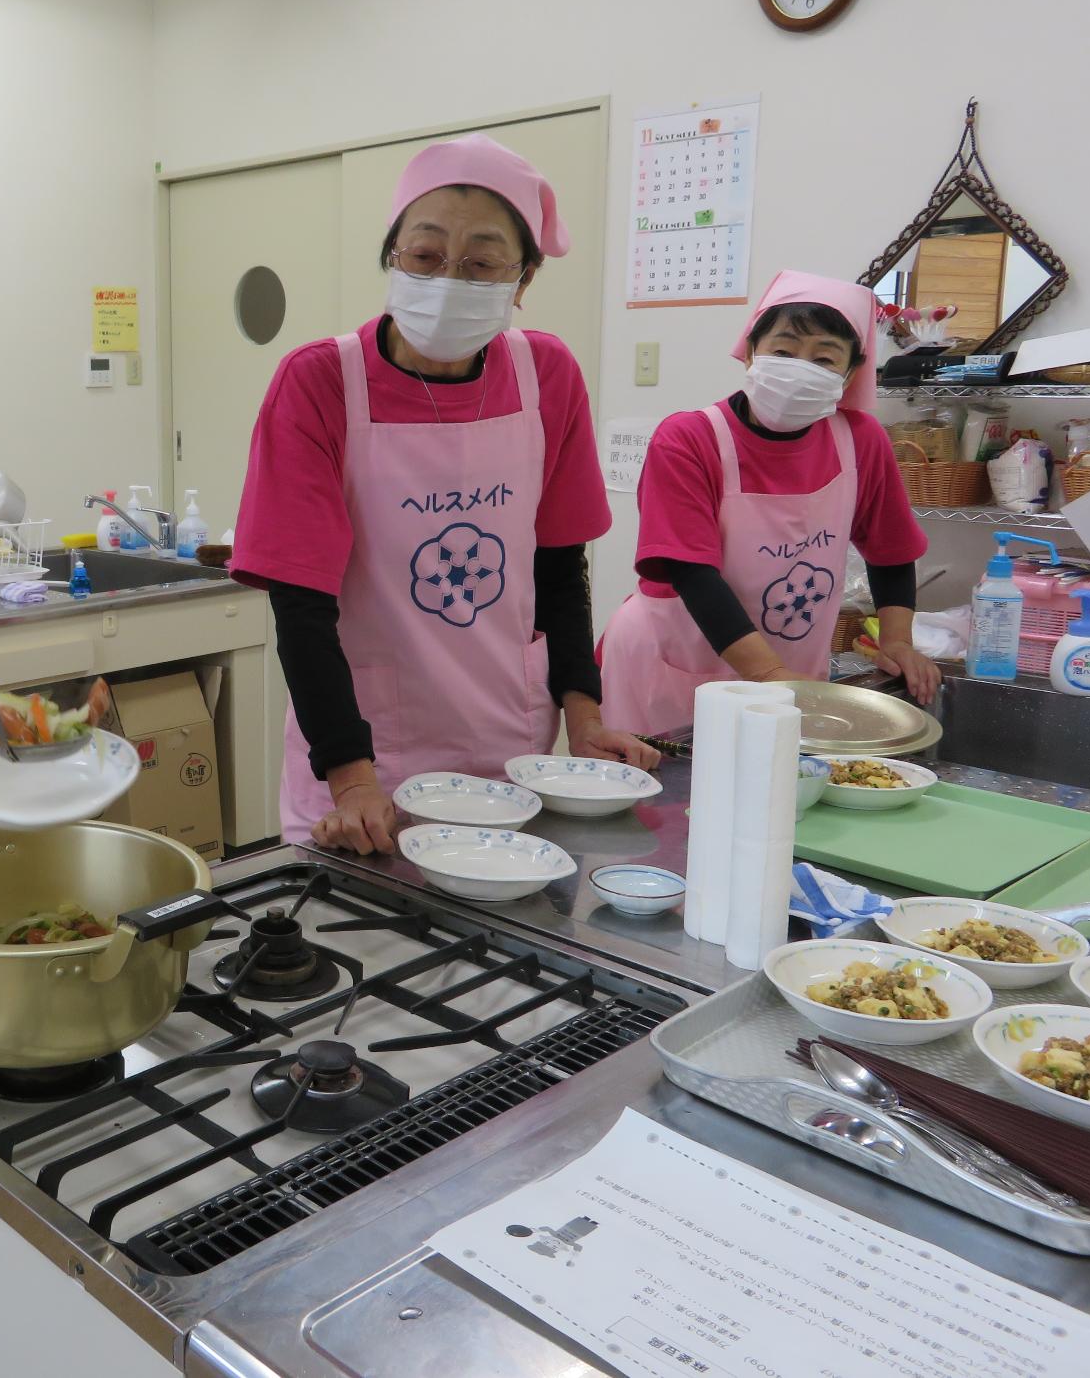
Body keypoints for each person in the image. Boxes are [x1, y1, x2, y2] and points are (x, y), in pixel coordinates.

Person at [230, 134, 658, 858]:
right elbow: (301, 606)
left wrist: (584, 718)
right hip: (363, 770)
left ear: (522, 280)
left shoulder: (546, 374)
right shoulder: (320, 382)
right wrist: (351, 781)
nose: (449, 279)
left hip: (508, 755)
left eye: (483, 262)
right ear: (392, 257)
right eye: (425, 256)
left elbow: (559, 569)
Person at [599, 271, 941, 738]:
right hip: (678, 661)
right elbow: (693, 574)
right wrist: (767, 677)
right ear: (751, 351)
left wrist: (898, 641)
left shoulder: (861, 441)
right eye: (783, 351)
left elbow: (892, 550)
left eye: (824, 358)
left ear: (849, 373)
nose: (801, 367)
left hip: (790, 671)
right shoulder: (689, 440)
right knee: (669, 799)